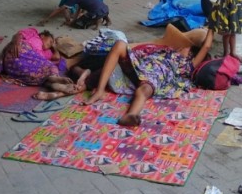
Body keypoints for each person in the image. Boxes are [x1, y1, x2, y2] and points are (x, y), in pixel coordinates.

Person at [83, 27, 214, 126]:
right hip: (140, 65)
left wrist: (214, 23)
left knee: (144, 89)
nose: (184, 47)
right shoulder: (168, 50)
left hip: (156, 76)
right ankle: (99, 90)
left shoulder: (187, 64)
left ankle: (131, 114)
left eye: (188, 48)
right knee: (119, 44)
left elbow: (206, 46)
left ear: (192, 53)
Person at [0, 28, 82, 101]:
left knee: (44, 69)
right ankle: (53, 79)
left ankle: (54, 84)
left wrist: (54, 47)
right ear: (43, 36)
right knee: (48, 67)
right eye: (50, 41)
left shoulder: (47, 53)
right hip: (18, 50)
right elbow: (18, 35)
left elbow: (56, 57)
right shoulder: (33, 33)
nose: (50, 44)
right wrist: (16, 43)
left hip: (21, 68)